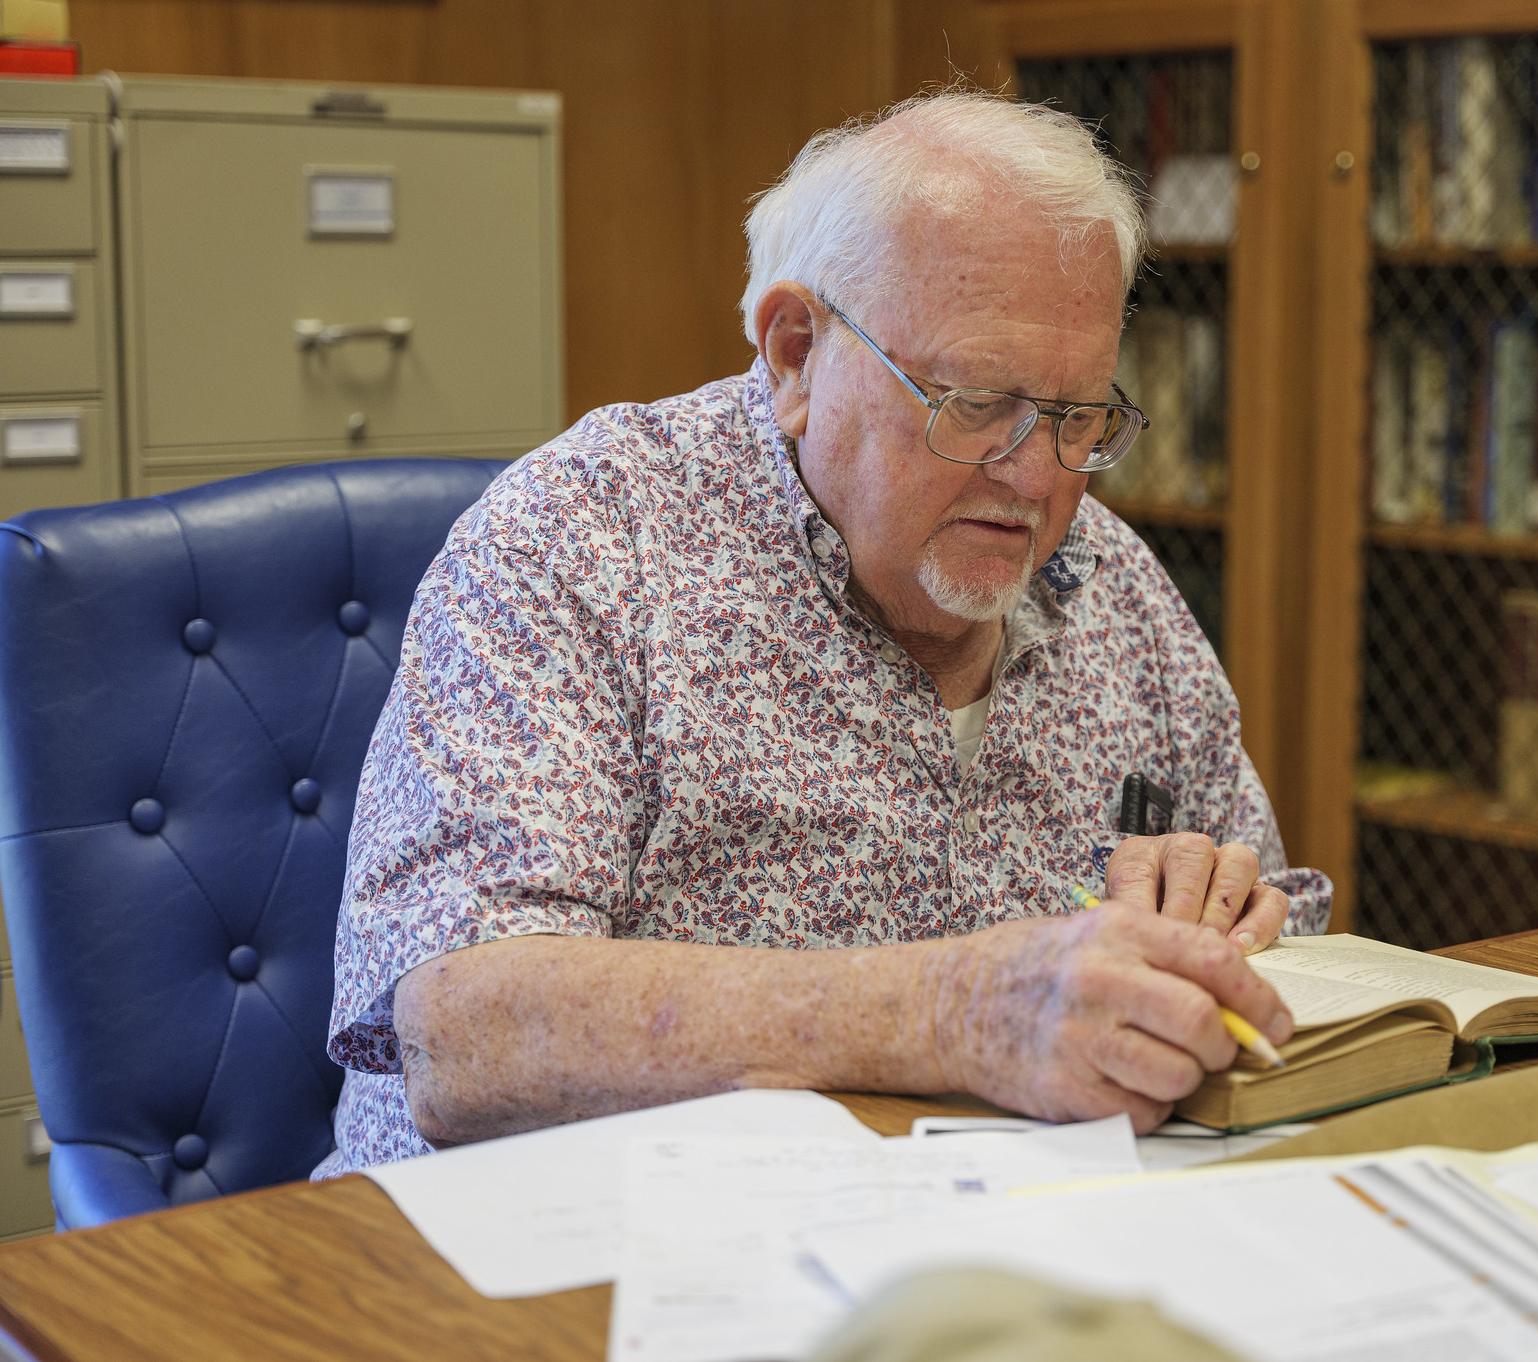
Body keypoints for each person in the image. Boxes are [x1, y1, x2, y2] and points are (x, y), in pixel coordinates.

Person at [315, 89, 1330, 1177]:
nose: (1036, 479)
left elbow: (1281, 929)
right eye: (976, 403)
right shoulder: (584, 541)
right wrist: (949, 1011)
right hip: (556, 1256)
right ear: (796, 352)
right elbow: (463, 1032)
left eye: (1077, 417)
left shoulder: (1112, 582)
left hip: (995, 1236)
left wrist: (1213, 920)